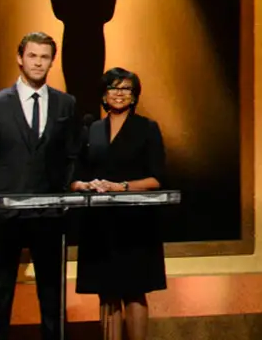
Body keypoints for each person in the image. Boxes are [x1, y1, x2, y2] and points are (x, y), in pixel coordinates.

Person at [0, 32, 79, 340]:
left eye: (45, 57)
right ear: (20, 58)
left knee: (52, 296)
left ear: (52, 61)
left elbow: (72, 155)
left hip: (49, 215)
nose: (38, 63)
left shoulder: (65, 104)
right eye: (32, 56)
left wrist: (64, 199)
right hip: (3, 215)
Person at [70, 67, 167, 340]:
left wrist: (122, 187)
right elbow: (76, 176)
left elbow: (157, 178)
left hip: (136, 224)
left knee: (134, 291)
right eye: (113, 88)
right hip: (100, 223)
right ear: (104, 94)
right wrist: (84, 185)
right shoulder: (92, 129)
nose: (119, 93)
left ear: (134, 96)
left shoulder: (147, 128)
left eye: (126, 89)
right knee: (107, 292)